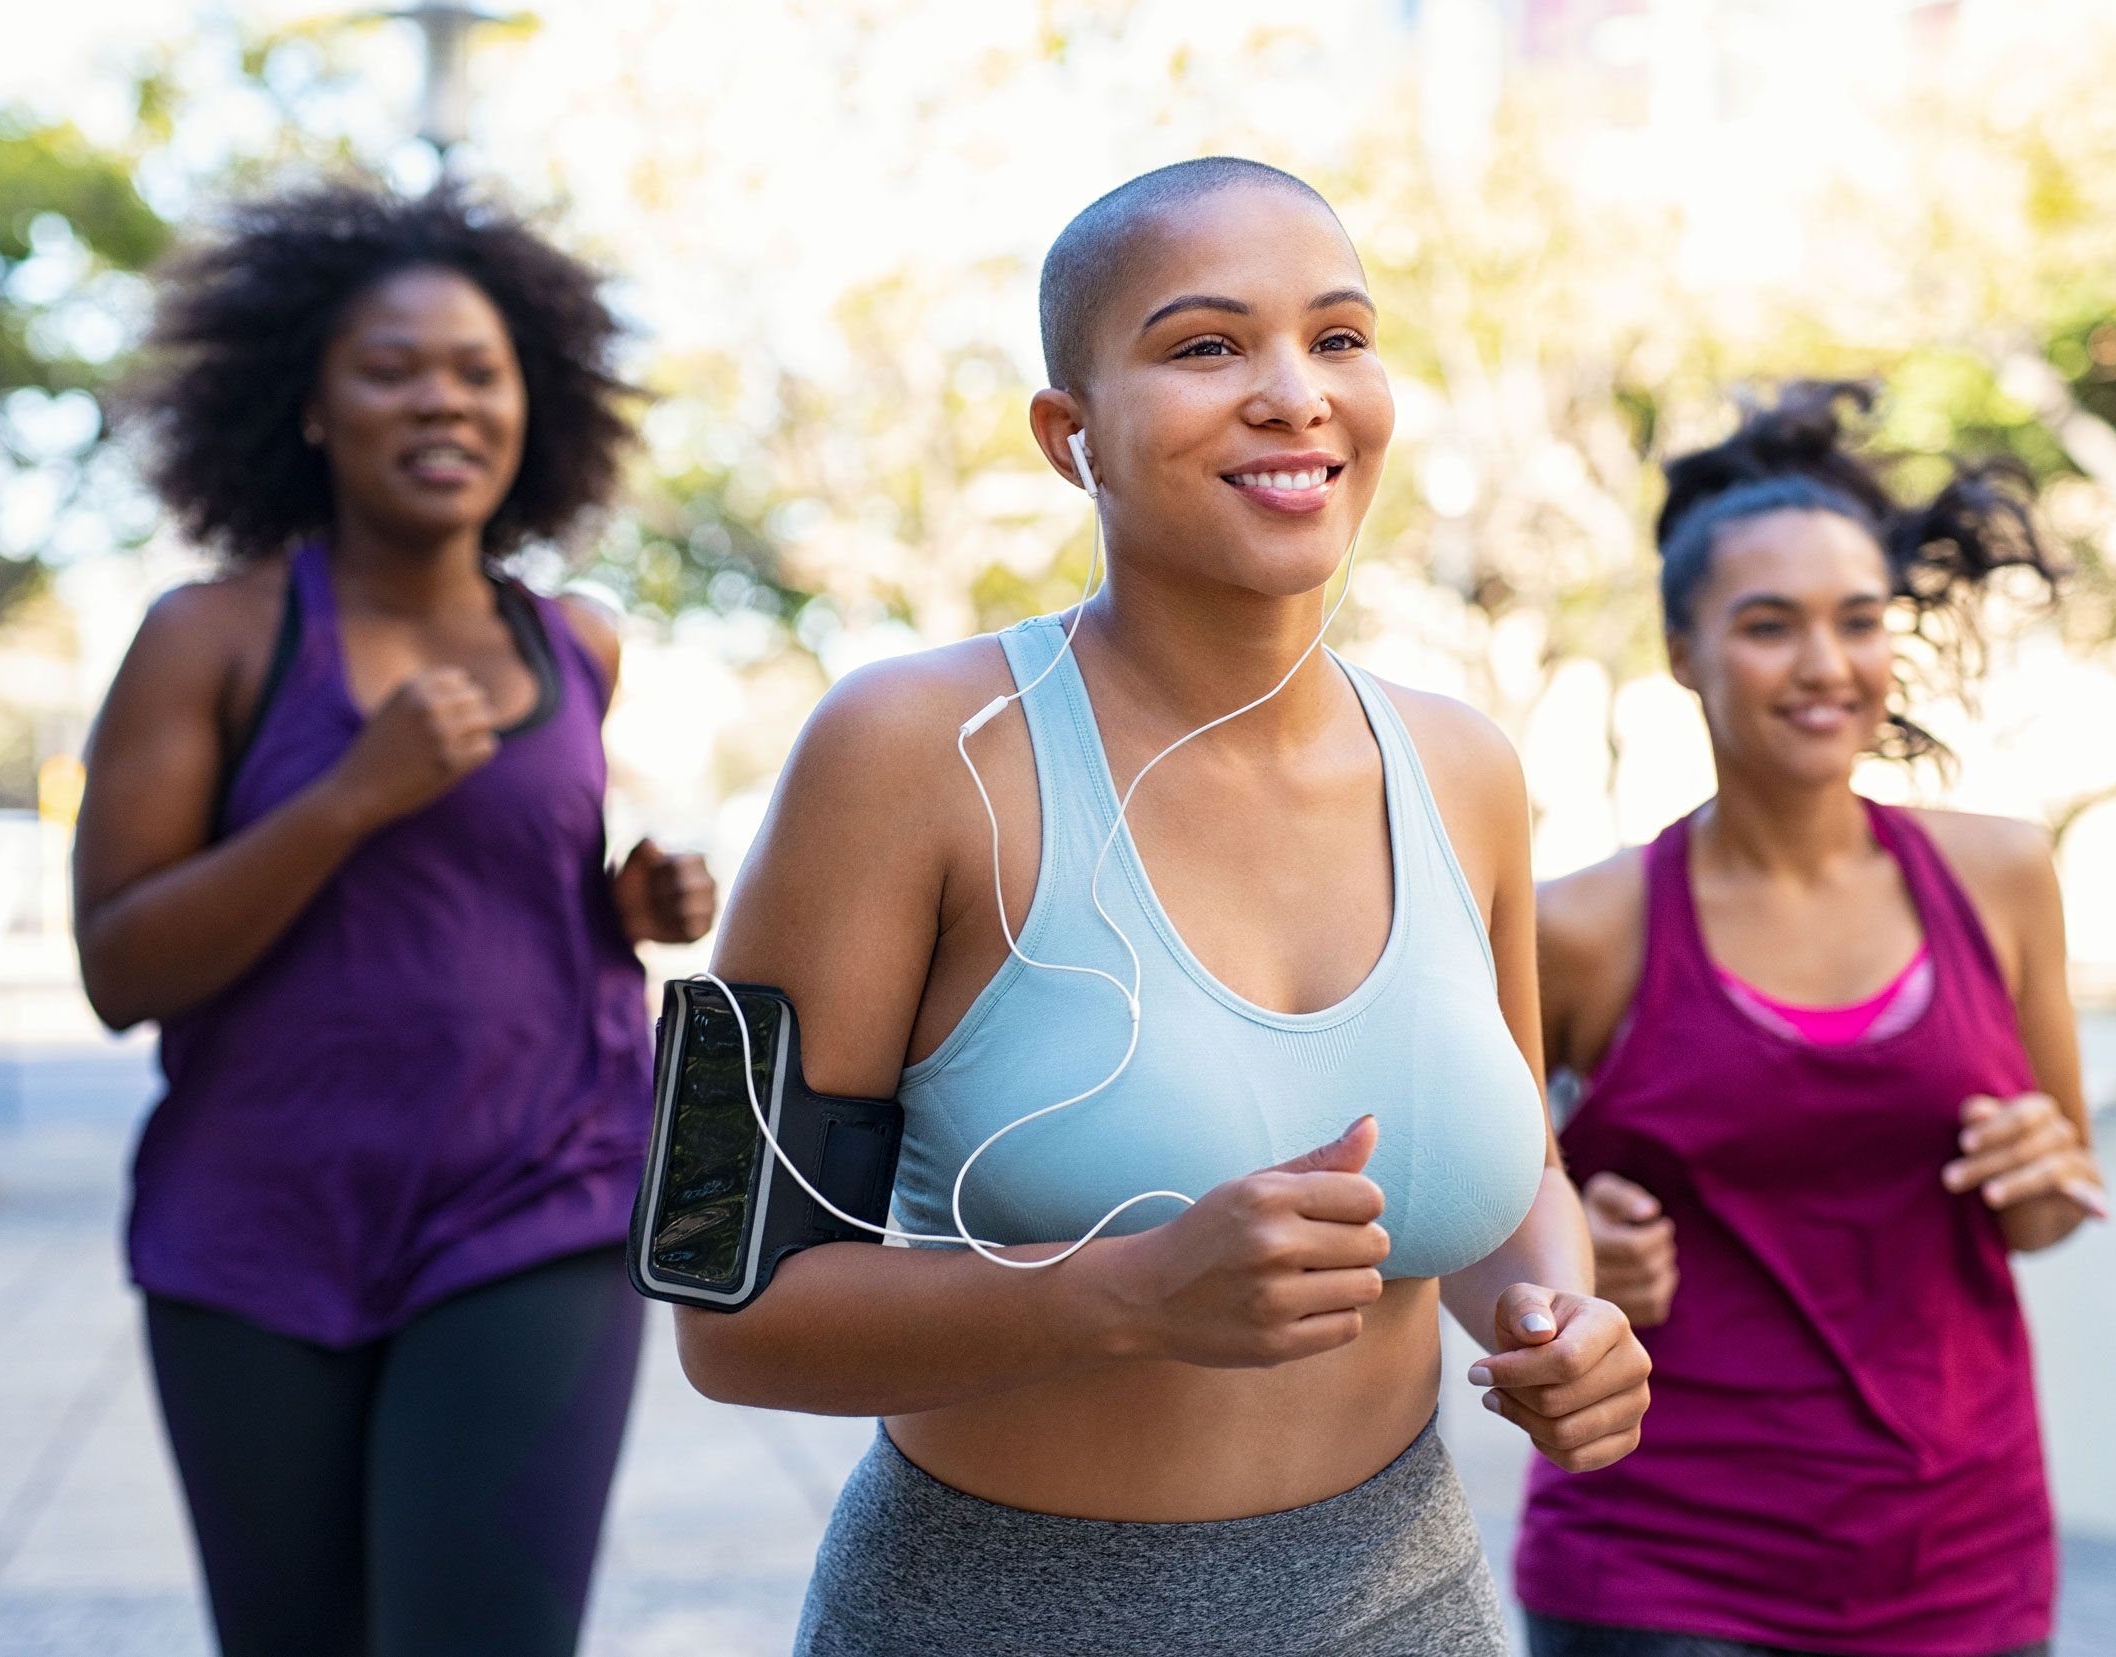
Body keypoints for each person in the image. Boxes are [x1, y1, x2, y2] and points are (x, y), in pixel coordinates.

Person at [677, 157, 1651, 1657]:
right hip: (996, 1618)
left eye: (1339, 338)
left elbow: (1508, 1152)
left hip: (1412, 1608)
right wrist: (1126, 1295)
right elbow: (722, 1309)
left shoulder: (1467, 768)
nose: (1294, 394)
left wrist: (1556, 1311)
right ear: (1073, 437)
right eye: (1207, 346)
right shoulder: (899, 753)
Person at [73, 181, 713, 1657]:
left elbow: (506, 893)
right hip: (259, 1224)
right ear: (309, 407)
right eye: (392, 367)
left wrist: (629, 902)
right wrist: (350, 795)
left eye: (478, 371)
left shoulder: (576, 643)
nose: (444, 400)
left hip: (535, 1200)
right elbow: (119, 968)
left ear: (531, 406)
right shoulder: (212, 640)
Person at [1514, 382, 2105, 1657]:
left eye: (1856, 621)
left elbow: (2053, 1210)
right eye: (1770, 625)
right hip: (1664, 1572)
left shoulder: (1999, 875)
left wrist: (2040, 1170)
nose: (1827, 666)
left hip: (1965, 1553)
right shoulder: (1580, 928)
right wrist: (1568, 1261)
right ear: (1684, 652)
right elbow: (1490, 1232)